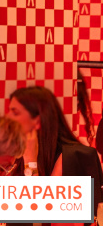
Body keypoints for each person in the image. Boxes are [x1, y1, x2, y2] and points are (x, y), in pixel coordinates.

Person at [7, 86, 103, 218]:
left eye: (15, 113)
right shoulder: (13, 153)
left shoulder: (74, 156)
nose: (8, 117)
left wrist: (30, 162)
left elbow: (43, 215)